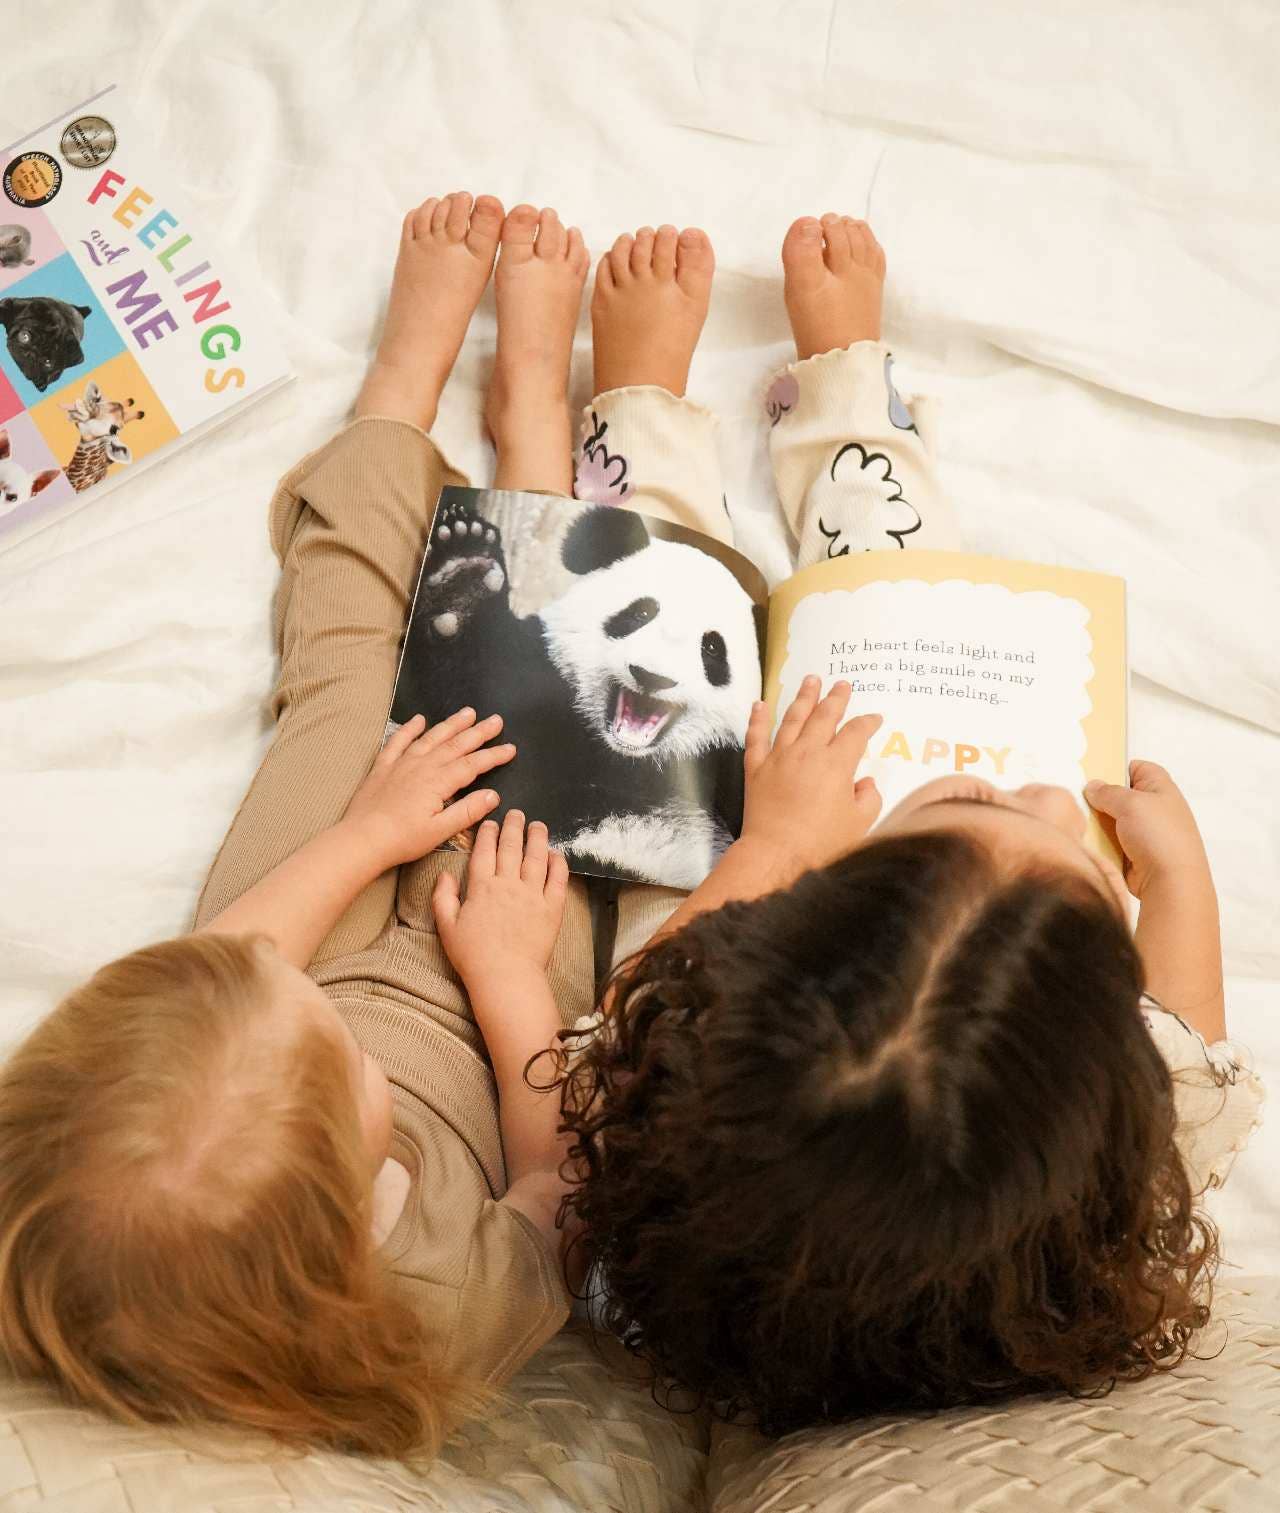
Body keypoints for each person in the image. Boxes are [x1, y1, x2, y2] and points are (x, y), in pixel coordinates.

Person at [555, 212, 1265, 1434]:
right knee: (895, 591)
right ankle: (846, 395)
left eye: (973, 798)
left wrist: (772, 846)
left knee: (668, 675)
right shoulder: (1121, 1158)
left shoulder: (671, 1113)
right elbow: (1194, 1054)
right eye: (1071, 864)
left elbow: (608, 1041)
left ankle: (639, 408)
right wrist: (1182, 890)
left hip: (737, 920)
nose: (1045, 790)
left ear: (772, 938)